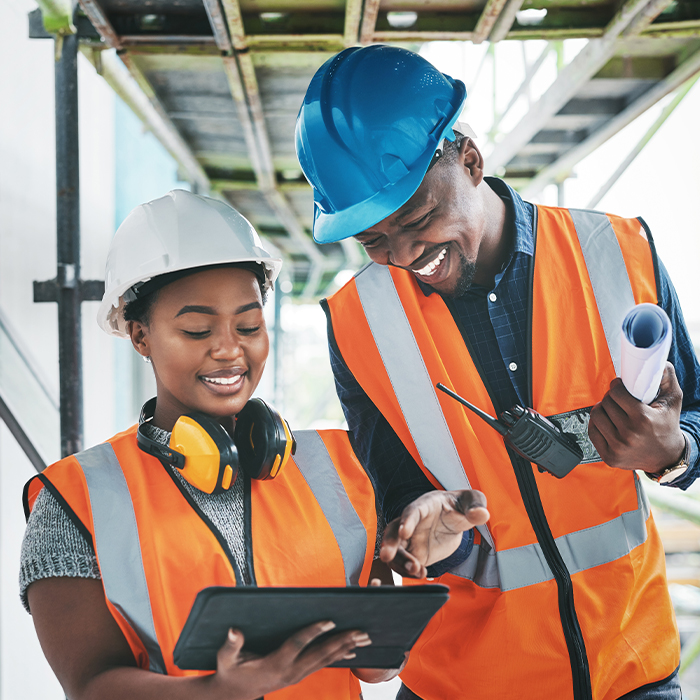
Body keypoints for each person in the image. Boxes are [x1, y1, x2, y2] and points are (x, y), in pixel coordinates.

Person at [295, 45, 700, 700]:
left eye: (417, 218)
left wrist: (673, 449)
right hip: (462, 685)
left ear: (470, 161)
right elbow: (394, 490)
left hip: (627, 671)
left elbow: (696, 418)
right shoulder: (357, 323)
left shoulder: (619, 254)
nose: (401, 256)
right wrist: (416, 521)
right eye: (372, 239)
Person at [19, 190, 490, 700]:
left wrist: (384, 628)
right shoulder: (76, 499)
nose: (229, 349)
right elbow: (90, 686)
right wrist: (217, 692)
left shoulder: (341, 467)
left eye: (248, 325)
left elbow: (376, 671)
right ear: (139, 336)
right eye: (197, 329)